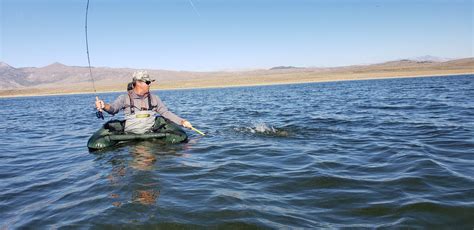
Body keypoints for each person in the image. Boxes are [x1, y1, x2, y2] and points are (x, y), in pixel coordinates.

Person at [95, 70, 193, 134]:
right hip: (130, 138)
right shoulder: (124, 98)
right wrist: (104, 106)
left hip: (150, 136)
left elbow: (166, 113)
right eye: (148, 82)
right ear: (138, 83)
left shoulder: (155, 98)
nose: (150, 85)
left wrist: (182, 121)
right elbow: (112, 109)